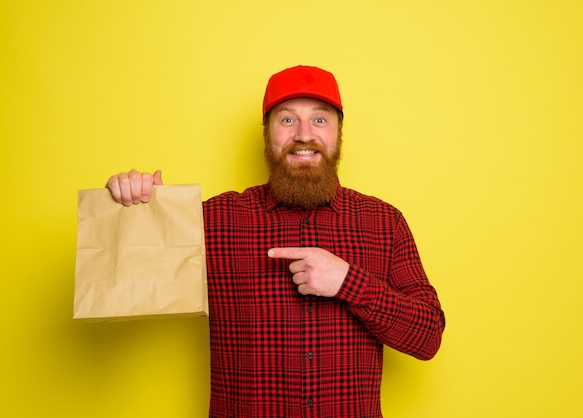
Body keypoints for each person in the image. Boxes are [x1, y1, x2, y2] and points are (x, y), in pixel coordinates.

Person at [106, 65, 445, 418]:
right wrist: (134, 208)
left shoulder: (383, 222)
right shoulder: (214, 220)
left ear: (339, 133)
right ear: (267, 134)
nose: (303, 135)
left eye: (319, 120)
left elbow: (428, 337)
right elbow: (126, 281)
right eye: (287, 120)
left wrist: (348, 282)